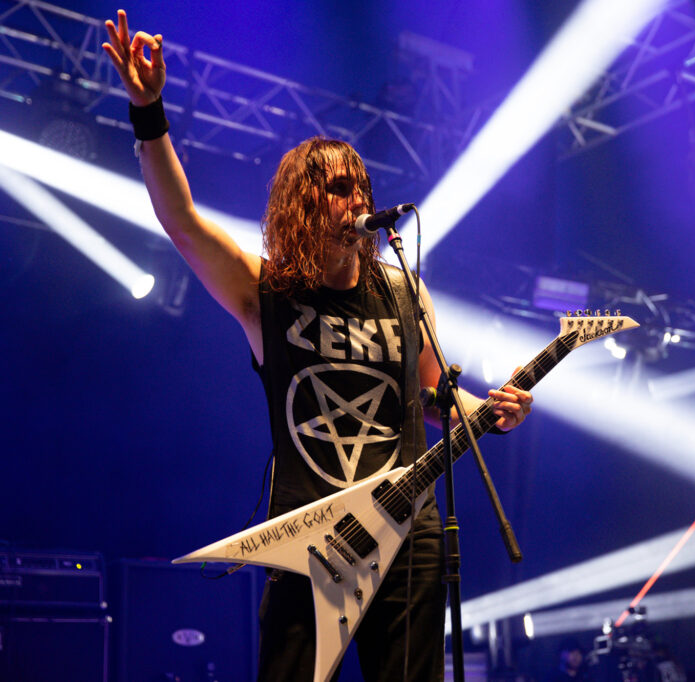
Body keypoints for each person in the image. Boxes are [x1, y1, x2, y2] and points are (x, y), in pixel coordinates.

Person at [101, 11, 534, 682]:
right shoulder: (268, 291)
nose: (356, 195)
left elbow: (431, 398)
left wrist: (493, 409)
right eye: (338, 186)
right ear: (304, 202)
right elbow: (181, 224)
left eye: (360, 184)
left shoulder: (402, 290)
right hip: (312, 537)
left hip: (406, 534)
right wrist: (148, 112)